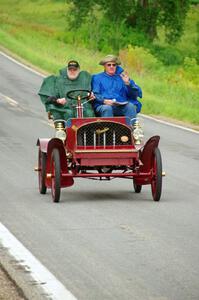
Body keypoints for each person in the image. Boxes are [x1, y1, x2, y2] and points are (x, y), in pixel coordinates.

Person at [92, 55, 142, 125]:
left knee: (130, 106)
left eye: (114, 65)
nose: (111, 67)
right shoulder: (97, 78)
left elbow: (133, 95)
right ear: (104, 66)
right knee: (107, 108)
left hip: (120, 105)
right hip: (103, 104)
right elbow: (95, 93)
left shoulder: (122, 78)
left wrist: (128, 84)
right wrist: (104, 101)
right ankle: (108, 133)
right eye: (109, 65)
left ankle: (130, 132)